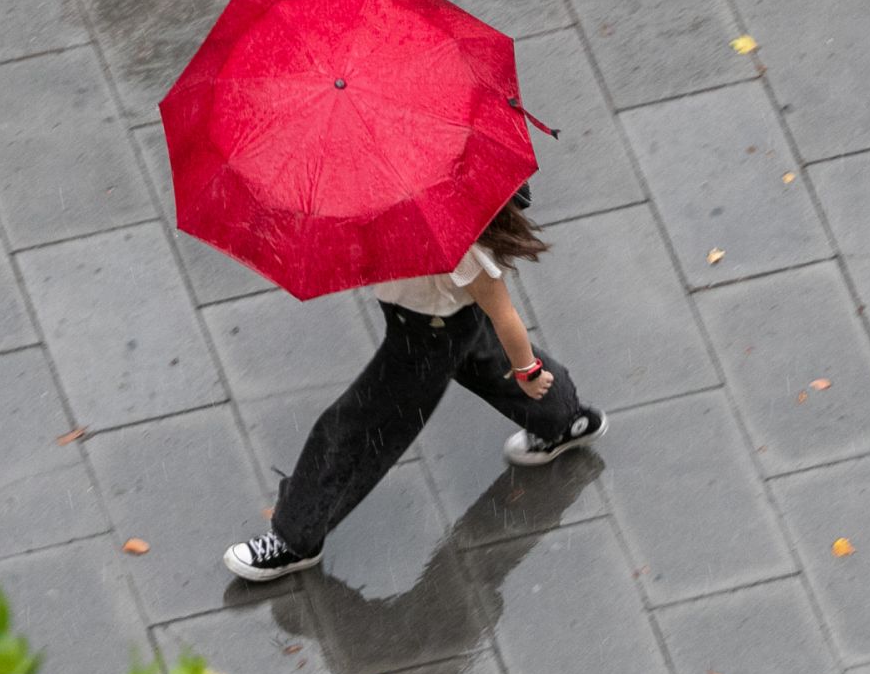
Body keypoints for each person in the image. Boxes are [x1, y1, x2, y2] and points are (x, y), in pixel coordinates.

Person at [223, 184, 608, 581]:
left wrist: (528, 371)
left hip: (427, 337)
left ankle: (294, 537)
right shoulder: (404, 203)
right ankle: (565, 420)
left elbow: (504, 315)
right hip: (436, 320)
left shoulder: (463, 249)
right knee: (483, 361)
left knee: (353, 430)